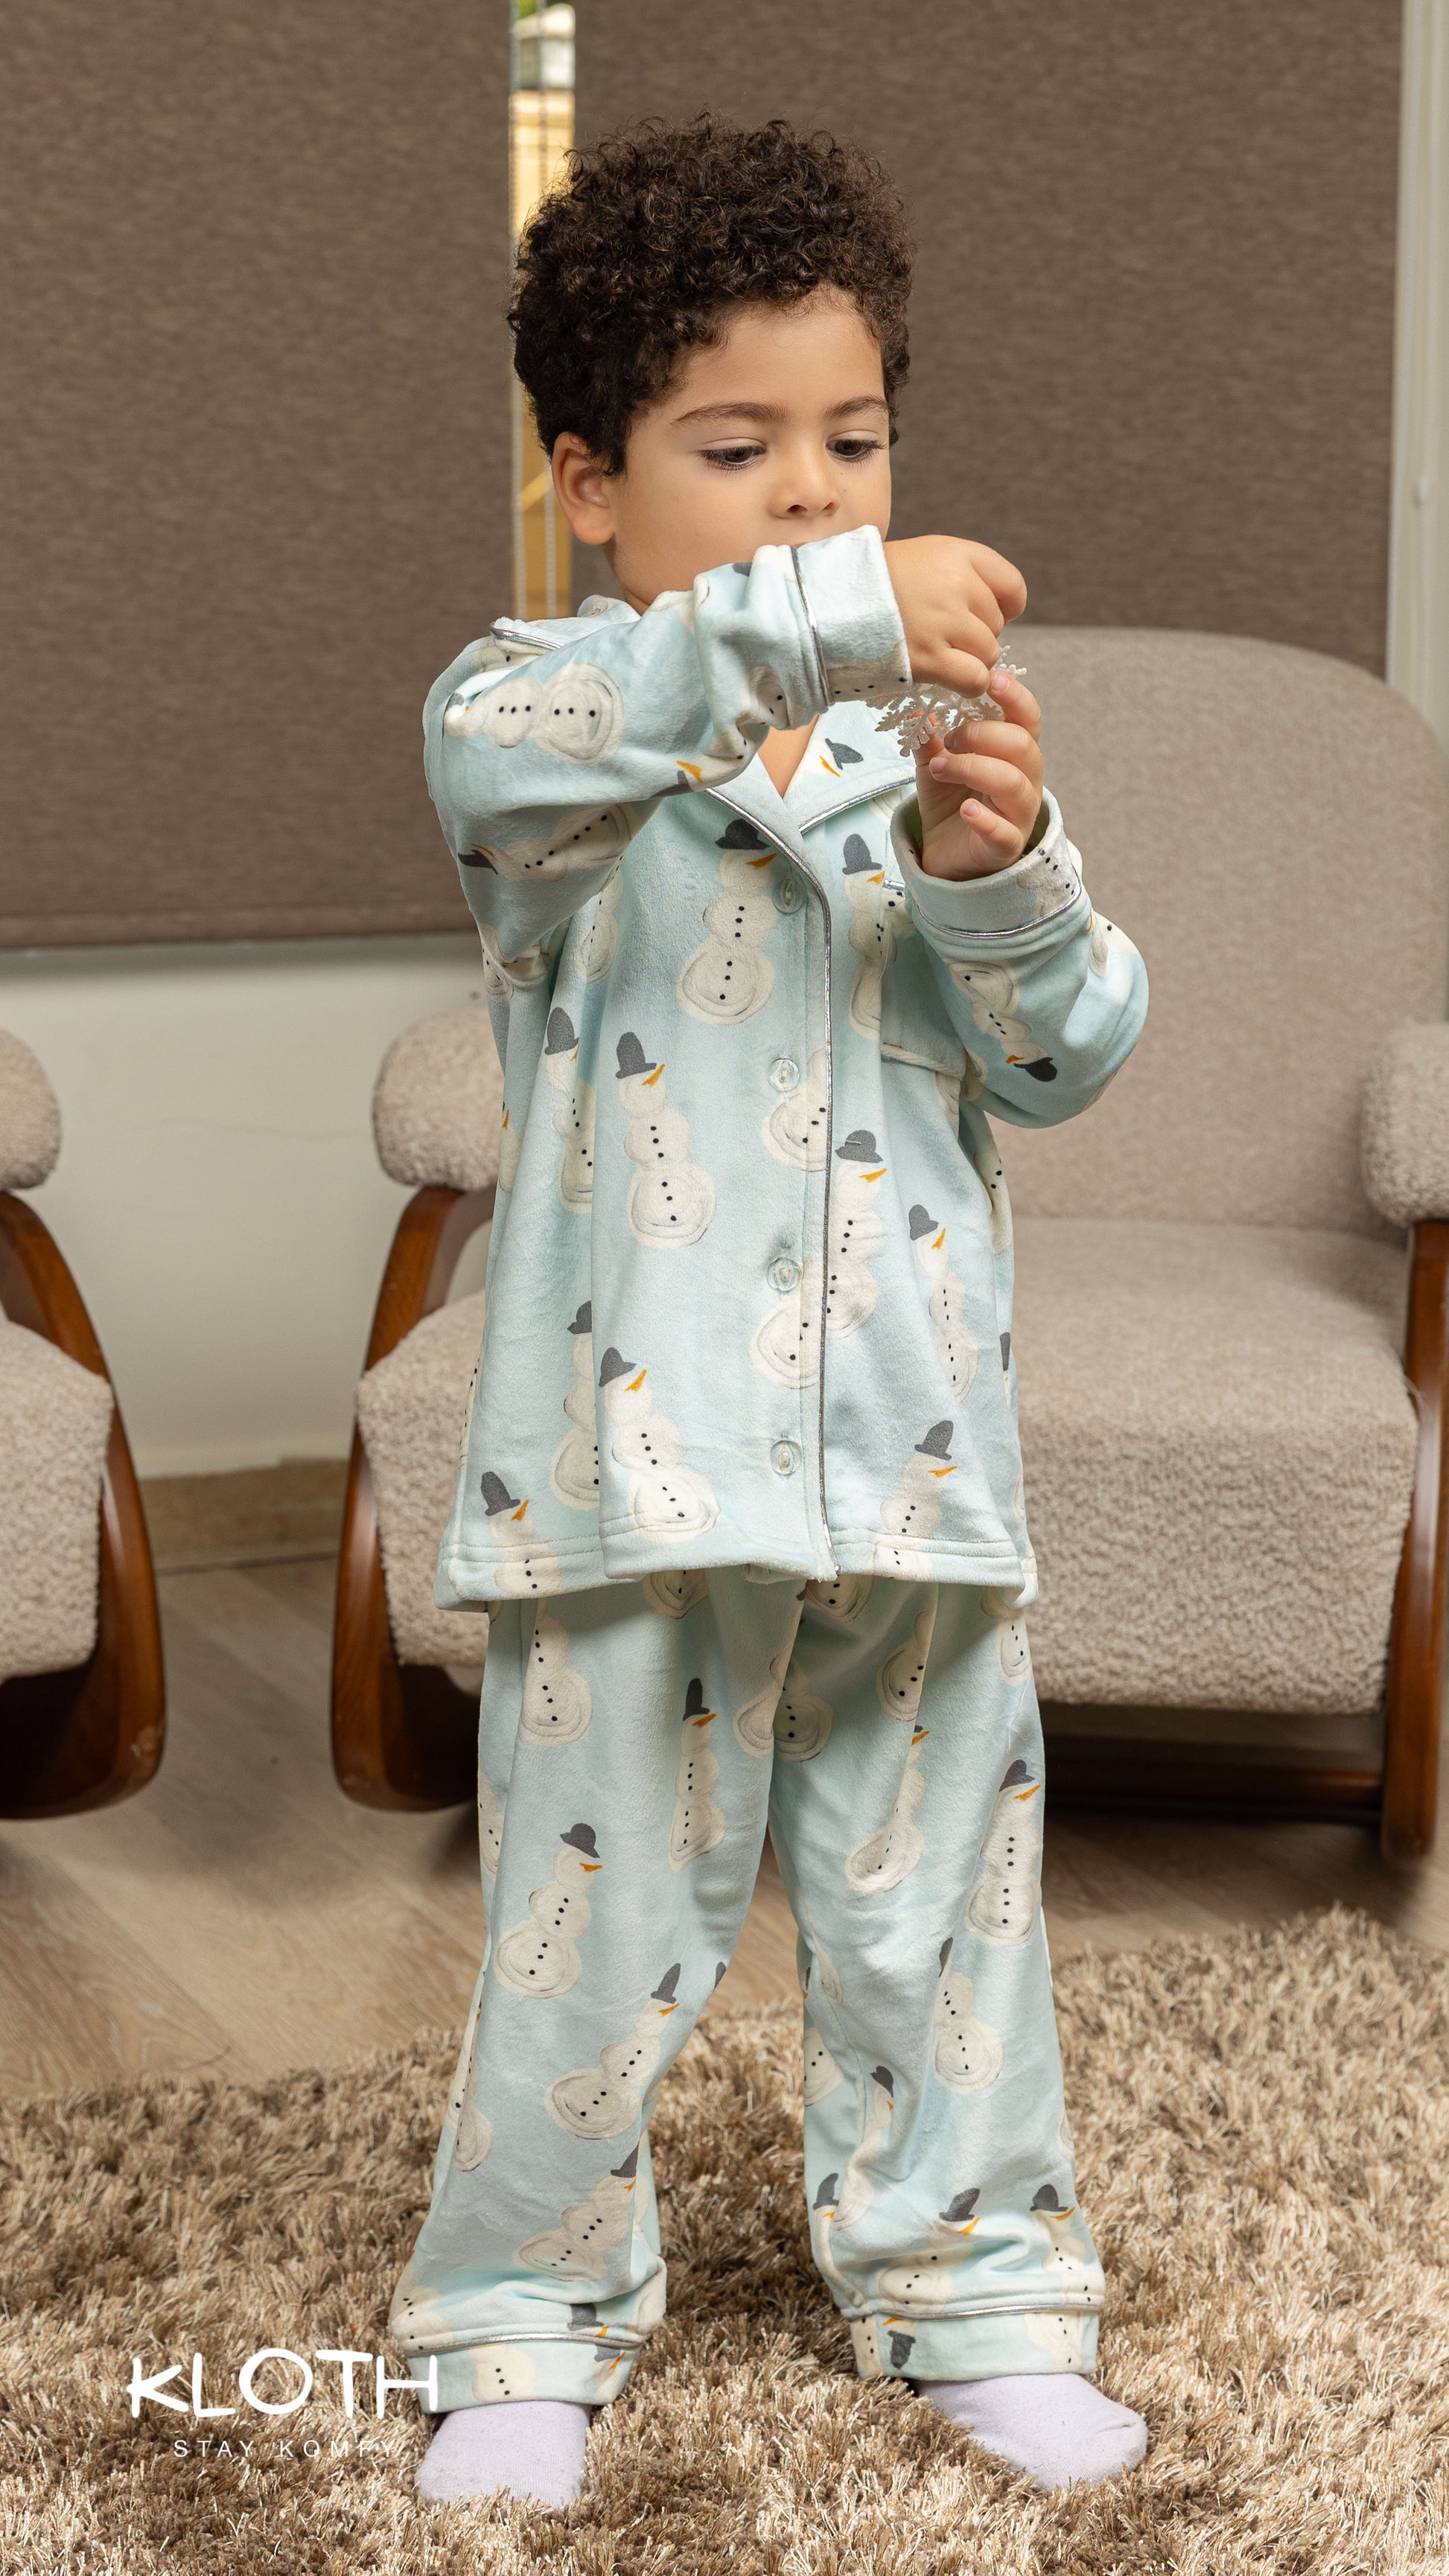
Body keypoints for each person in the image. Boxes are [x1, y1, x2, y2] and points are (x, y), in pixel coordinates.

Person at [391, 112, 1150, 2510]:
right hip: (632, 1470)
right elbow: (562, 734)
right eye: (736, 450)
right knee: (585, 1930)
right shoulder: (543, 720)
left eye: (853, 441)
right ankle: (521, 2318)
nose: (811, 493)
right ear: (588, 484)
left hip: (911, 1460)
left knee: (941, 1923)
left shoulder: (922, 746)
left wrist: (1000, 872)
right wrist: (833, 613)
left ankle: (976, 2293)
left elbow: (1062, 1056)